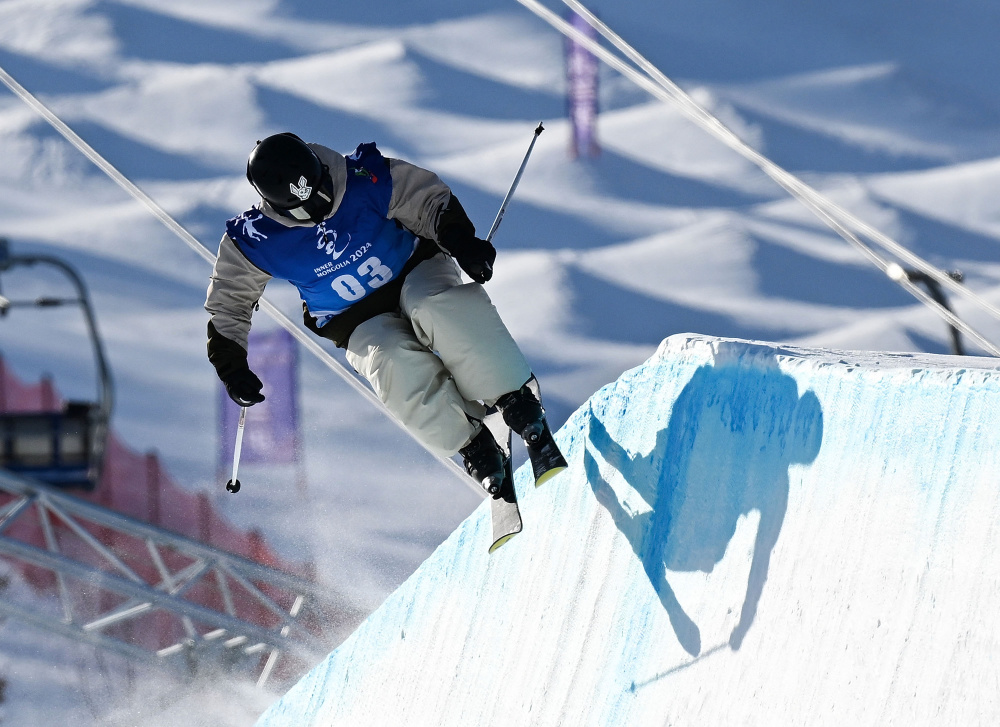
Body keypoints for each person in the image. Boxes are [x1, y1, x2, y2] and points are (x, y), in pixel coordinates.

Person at [205, 132, 566, 492]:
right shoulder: (257, 237)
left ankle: (513, 396)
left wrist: (460, 241)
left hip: (413, 268)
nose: (320, 208)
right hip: (353, 317)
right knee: (389, 360)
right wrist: (232, 365)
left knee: (437, 306)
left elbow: (426, 200)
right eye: (304, 210)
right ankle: (471, 445)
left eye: (322, 193)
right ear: (278, 207)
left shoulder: (363, 177)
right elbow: (229, 301)